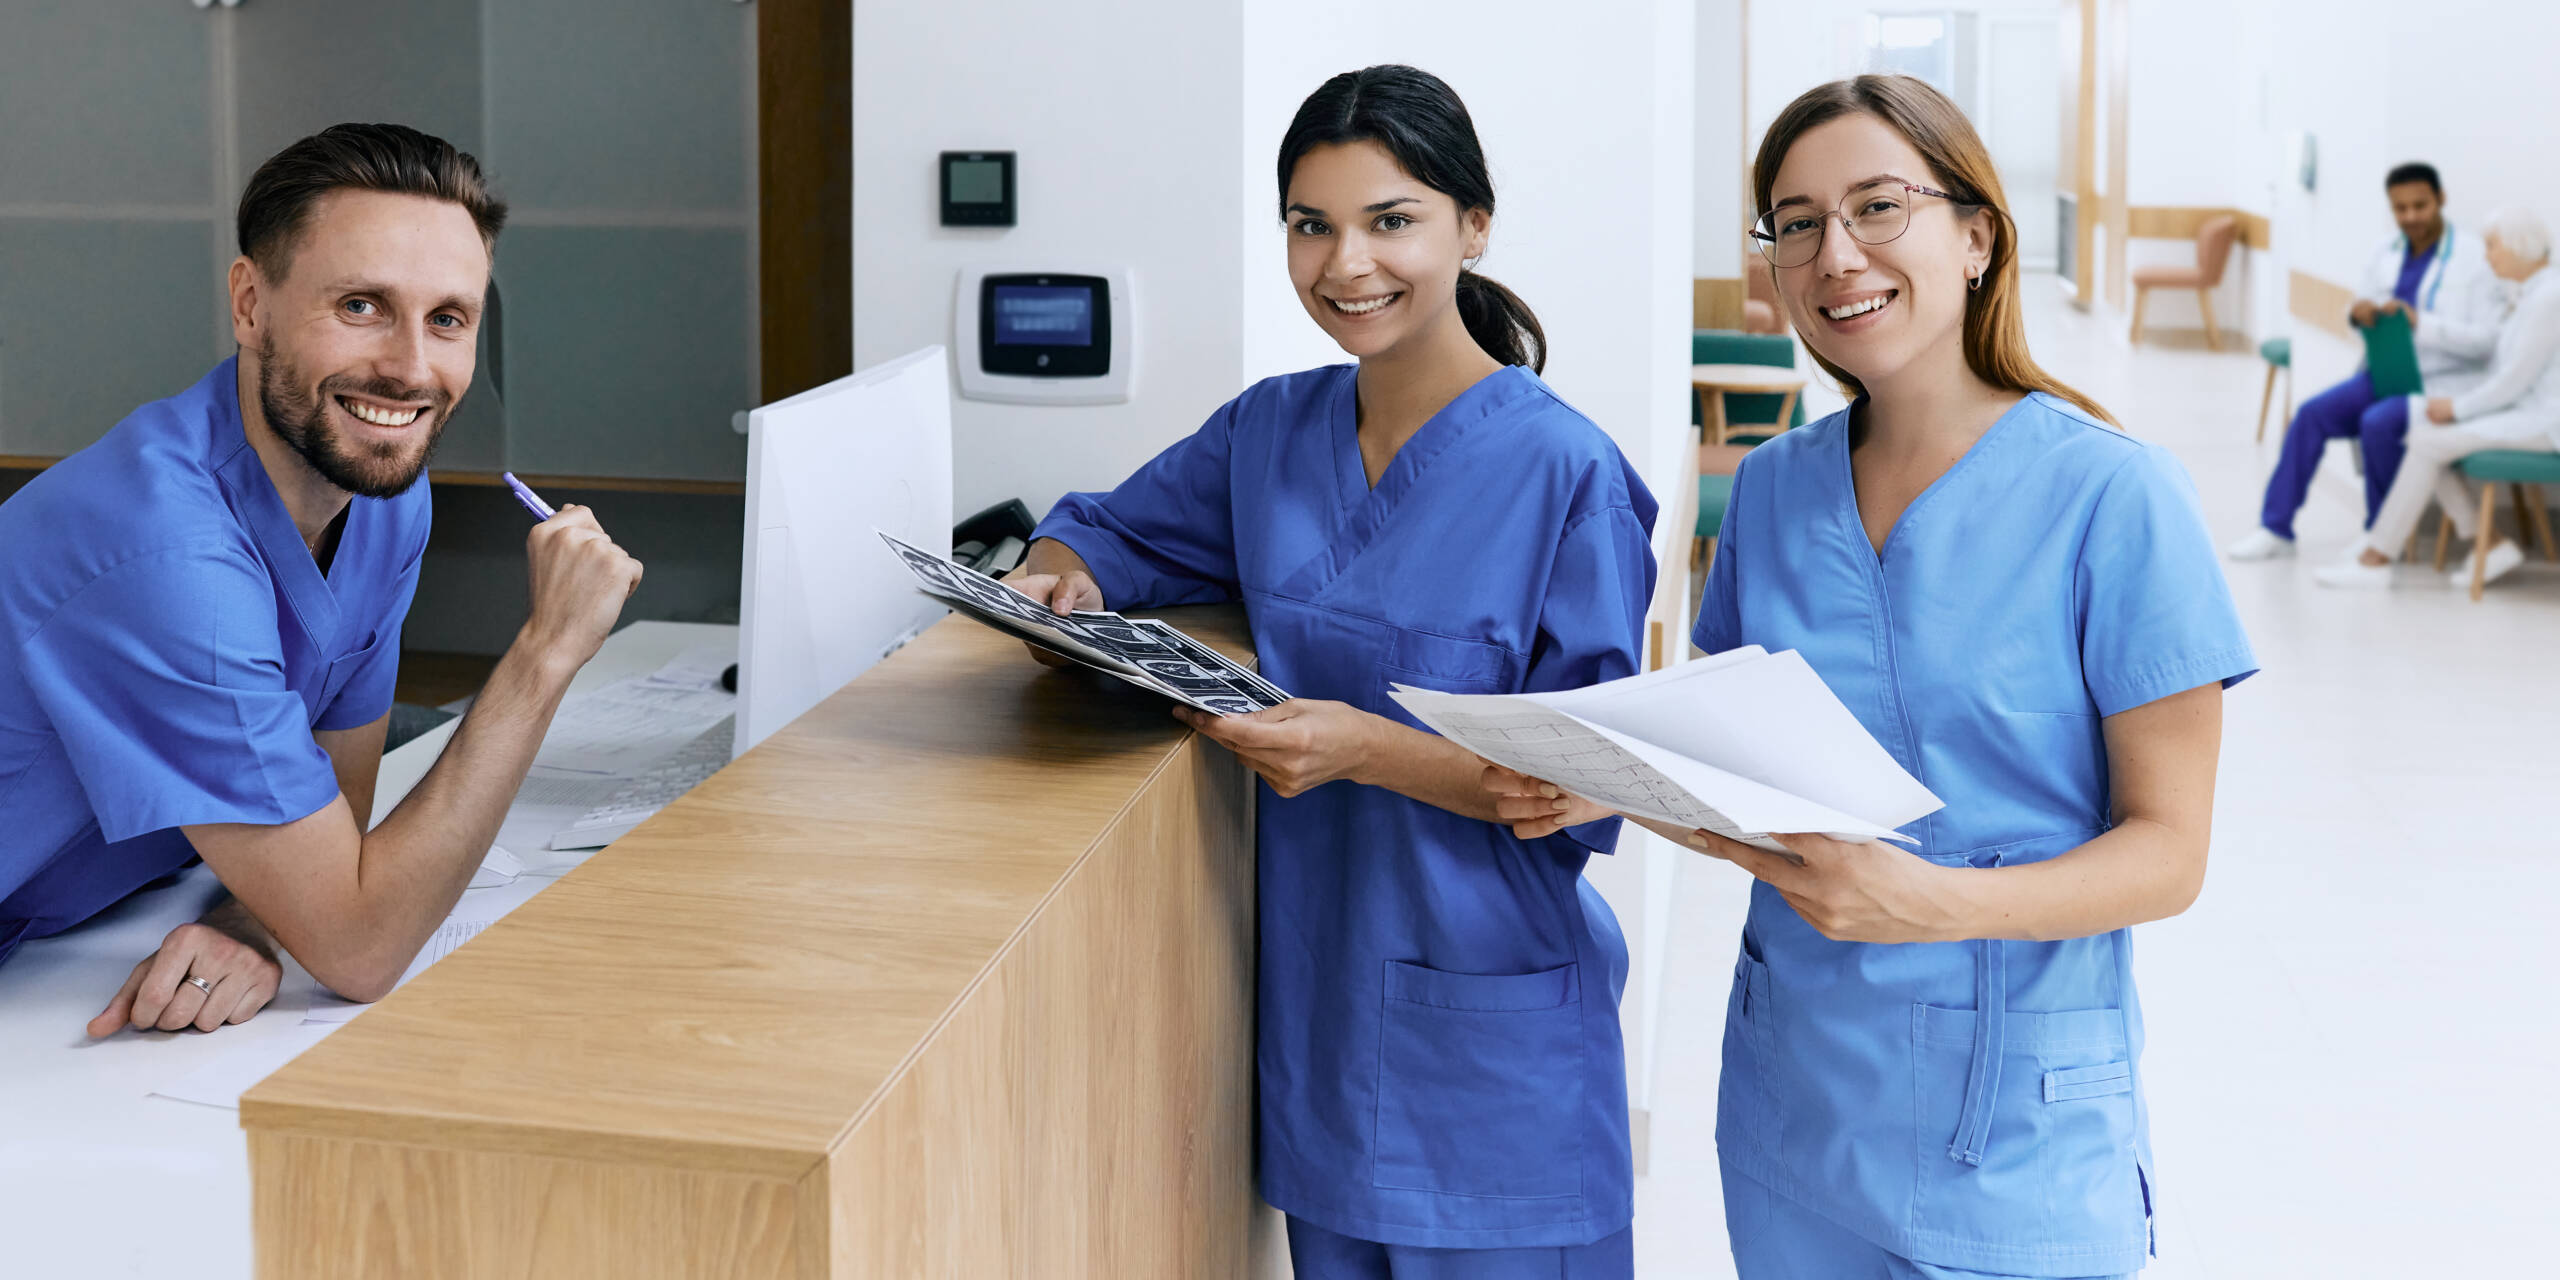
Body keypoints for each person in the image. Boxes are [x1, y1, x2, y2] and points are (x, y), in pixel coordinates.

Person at [1487, 76, 2254, 1278]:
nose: (1835, 254)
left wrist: (1931, 905)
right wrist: (1615, 781)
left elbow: (2170, 852)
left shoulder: (2115, 494)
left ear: (1976, 234)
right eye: (1796, 223)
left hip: (2015, 1130)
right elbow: (1739, 767)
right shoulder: (1777, 489)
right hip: (1794, 1101)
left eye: (1877, 207)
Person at [1011, 65, 1654, 1279]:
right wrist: (1060, 577)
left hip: (1492, 1056)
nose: (1344, 263)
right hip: (1319, 1030)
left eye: (1389, 220)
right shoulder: (1270, 431)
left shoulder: (1566, 474)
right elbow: (1106, 526)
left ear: (1472, 224)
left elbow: (1589, 781)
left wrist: (1360, 748)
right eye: (1311, 226)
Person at [0, 124, 643, 1035]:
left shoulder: (378, 491)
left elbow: (336, 814)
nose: (411, 369)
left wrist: (249, 914)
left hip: (68, 948)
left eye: (448, 319)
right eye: (361, 306)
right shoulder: (165, 557)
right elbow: (358, 947)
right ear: (250, 303)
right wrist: (545, 653)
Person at [2230, 162, 2509, 560]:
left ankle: (2378, 537)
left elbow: (2486, 343)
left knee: (2376, 423)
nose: (2410, 217)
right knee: (2310, 415)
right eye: (2400, 208)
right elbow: (2358, 310)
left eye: (2420, 206)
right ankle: (2275, 528)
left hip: (2440, 383)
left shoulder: (2474, 259)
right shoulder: (2385, 251)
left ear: (2440, 200)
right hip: (2384, 373)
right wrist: (2356, 315)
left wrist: (2420, 323)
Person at [2317, 206, 2559, 589]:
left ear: (2519, 247)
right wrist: (2454, 405)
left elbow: (2514, 380)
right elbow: (2505, 371)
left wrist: (2459, 408)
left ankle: (2376, 560)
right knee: (2425, 432)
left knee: (2427, 440)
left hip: (2545, 424)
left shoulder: (2549, 299)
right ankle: (2488, 544)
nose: (2487, 255)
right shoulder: (2529, 296)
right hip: (2526, 412)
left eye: (2493, 246)